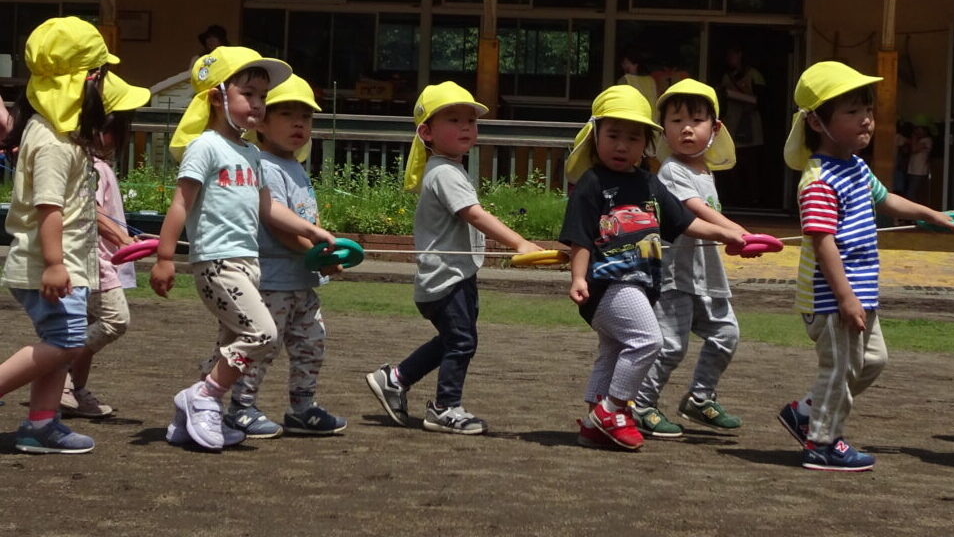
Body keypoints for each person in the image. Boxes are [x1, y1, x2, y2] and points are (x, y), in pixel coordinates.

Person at [150, 46, 336, 452]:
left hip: (247, 264)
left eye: (262, 97)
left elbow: (267, 207)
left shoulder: (251, 153)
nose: (257, 104)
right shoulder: (206, 147)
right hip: (216, 263)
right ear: (217, 97)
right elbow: (181, 202)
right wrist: (165, 258)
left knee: (232, 343)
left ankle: (197, 408)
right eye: (248, 94)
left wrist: (313, 231)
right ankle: (204, 396)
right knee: (262, 334)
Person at [774, 61, 954, 471]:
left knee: (872, 361)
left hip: (859, 291)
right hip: (832, 296)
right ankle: (821, 441)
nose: (866, 119)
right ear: (817, 123)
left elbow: (886, 199)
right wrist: (845, 298)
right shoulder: (819, 180)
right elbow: (823, 242)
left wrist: (930, 213)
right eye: (852, 111)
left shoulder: (855, 167)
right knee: (839, 368)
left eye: (867, 110)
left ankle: (805, 413)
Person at [559, 84, 752, 452]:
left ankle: (593, 421)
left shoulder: (650, 183)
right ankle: (616, 408)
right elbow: (580, 236)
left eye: (633, 138)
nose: (621, 146)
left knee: (614, 349)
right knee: (649, 340)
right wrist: (578, 276)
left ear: (647, 143)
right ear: (595, 135)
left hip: (640, 283)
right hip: (609, 282)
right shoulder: (592, 183)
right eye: (613, 135)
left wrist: (730, 236)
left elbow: (685, 223)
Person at [0, 17, 146, 453]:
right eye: (102, 79)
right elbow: (50, 208)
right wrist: (55, 263)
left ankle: (42, 424)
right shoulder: (51, 143)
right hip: (47, 267)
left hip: (66, 267)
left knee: (60, 344)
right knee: (63, 343)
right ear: (86, 82)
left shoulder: (67, 138)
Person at [364, 81, 542, 435]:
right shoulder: (444, 171)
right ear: (426, 132)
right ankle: (445, 408)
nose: (465, 127)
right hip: (446, 278)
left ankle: (395, 378)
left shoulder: (449, 169)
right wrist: (520, 243)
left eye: (470, 121)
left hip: (451, 276)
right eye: (453, 119)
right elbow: (474, 214)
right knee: (462, 341)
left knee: (452, 339)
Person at [220, 75, 348, 438]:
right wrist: (319, 255)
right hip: (272, 281)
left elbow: (310, 218)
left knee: (312, 344)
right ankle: (240, 407)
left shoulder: (296, 167)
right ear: (260, 121)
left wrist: (327, 251)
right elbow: (281, 227)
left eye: (306, 117)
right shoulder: (264, 166)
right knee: (263, 346)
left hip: (302, 282)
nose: (298, 124)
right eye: (287, 114)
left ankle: (302, 407)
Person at [631, 79, 744, 438]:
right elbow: (693, 210)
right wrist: (735, 231)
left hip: (707, 275)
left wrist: (735, 233)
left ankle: (700, 397)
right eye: (677, 120)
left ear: (716, 127)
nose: (687, 129)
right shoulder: (671, 171)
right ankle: (641, 405)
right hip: (675, 276)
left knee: (726, 334)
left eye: (696, 120)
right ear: (664, 128)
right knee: (671, 346)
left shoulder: (705, 171)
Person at [59, 79, 152, 418]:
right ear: (98, 129)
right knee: (114, 320)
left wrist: (125, 238)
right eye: (116, 129)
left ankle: (74, 388)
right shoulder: (89, 166)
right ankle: (59, 378)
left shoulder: (95, 165)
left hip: (95, 258)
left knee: (88, 323)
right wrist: (121, 239)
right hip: (91, 259)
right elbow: (92, 213)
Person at [616, 45, 659, 113]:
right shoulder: (651, 80)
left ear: (635, 64)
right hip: (653, 119)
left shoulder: (625, 79)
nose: (623, 66)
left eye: (625, 63)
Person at [905, 116, 934, 206]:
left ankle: (915, 217)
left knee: (911, 194)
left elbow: (914, 149)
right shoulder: (920, 140)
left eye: (919, 129)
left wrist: (913, 137)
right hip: (913, 170)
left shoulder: (927, 140)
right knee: (912, 193)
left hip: (919, 171)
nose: (917, 131)